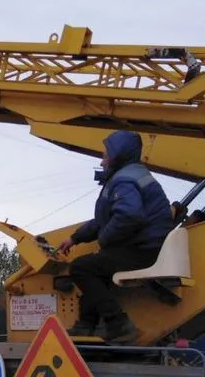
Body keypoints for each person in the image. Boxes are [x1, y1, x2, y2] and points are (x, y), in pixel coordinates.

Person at [57, 130, 173, 343]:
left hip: (143, 251)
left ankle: (119, 325)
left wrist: (103, 240)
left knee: (82, 268)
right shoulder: (132, 174)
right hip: (149, 247)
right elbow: (104, 220)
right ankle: (86, 325)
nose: (102, 162)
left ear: (118, 155)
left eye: (105, 156)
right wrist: (75, 238)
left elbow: (129, 216)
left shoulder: (124, 181)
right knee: (96, 267)